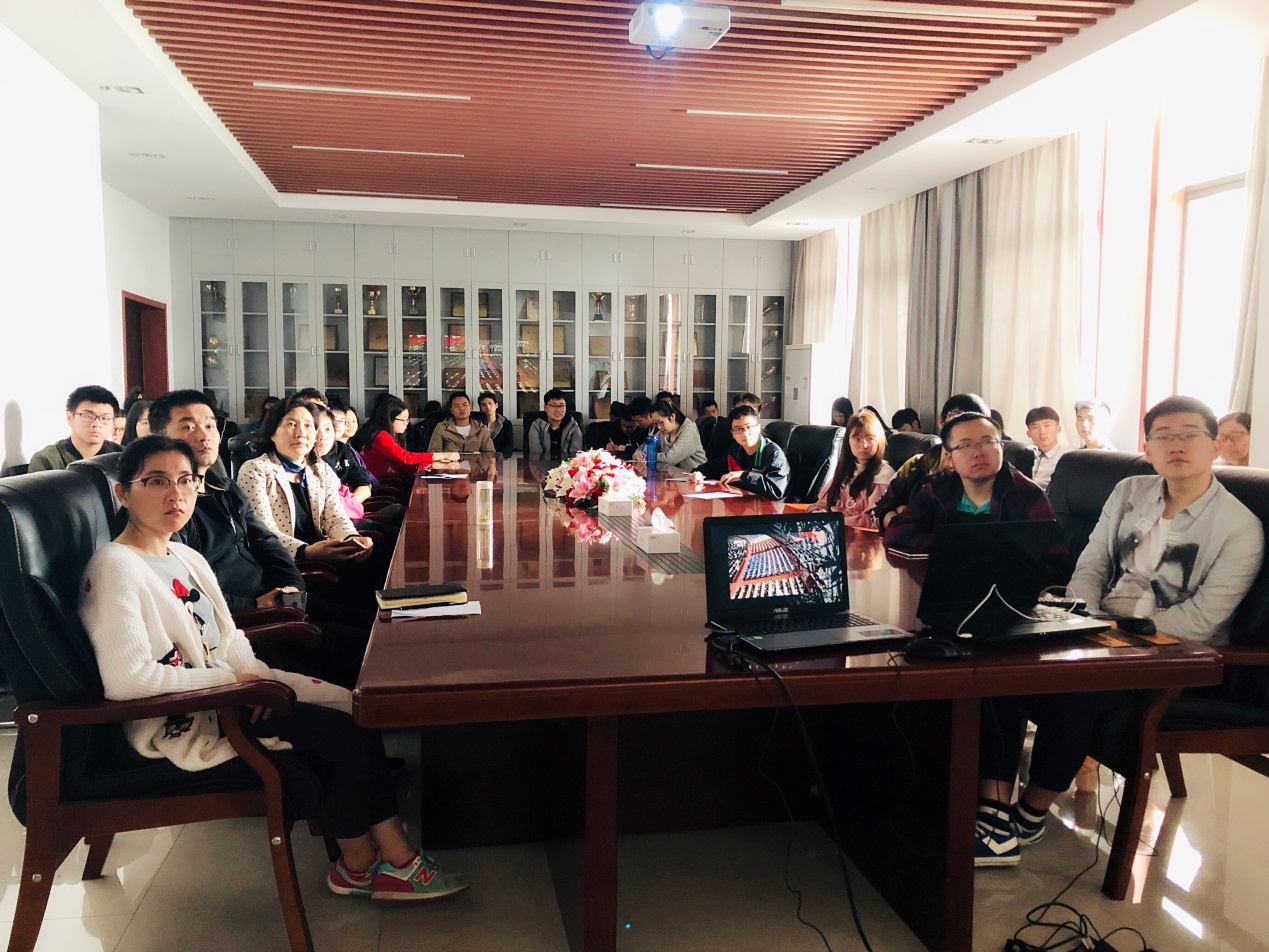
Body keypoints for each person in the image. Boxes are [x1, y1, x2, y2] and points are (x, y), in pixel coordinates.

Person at [79, 435, 469, 901]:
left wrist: (257, 679)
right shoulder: (115, 567)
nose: (175, 494)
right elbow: (127, 681)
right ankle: (390, 861)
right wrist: (237, 683)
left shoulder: (185, 556)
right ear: (123, 493)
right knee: (340, 733)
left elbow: (229, 639)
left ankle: (362, 861)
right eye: (156, 481)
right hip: (192, 714)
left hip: (235, 692)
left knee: (354, 705)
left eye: (186, 480)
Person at [976, 397, 1263, 868]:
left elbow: (1203, 620)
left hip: (1174, 656)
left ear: (1214, 446)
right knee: (999, 663)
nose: (1176, 445)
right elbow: (1091, 565)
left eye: (1189, 434)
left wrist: (1110, 640)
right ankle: (992, 810)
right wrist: (1086, 620)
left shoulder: (1239, 527)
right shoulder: (1130, 490)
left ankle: (1031, 812)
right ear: (1147, 448)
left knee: (1077, 690)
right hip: (1097, 631)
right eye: (1163, 436)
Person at [149, 391, 306, 615]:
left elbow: (264, 540)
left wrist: (294, 586)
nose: (204, 436)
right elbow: (180, 586)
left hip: (276, 599)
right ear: (159, 438)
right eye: (188, 427)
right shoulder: (167, 504)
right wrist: (254, 605)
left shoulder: (226, 488)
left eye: (210, 426)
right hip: (240, 618)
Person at [883, 411, 1056, 555]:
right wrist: (950, 546)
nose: (978, 453)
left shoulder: (1028, 494)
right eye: (966, 445)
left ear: (1001, 449)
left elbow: (1054, 556)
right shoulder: (937, 490)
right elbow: (896, 531)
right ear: (949, 457)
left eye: (988, 442)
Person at [236, 396, 377, 564]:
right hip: (282, 562)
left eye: (308, 426)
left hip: (322, 557)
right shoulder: (255, 470)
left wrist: (351, 539)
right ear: (272, 433)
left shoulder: (321, 469)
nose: (301, 433)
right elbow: (262, 531)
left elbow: (335, 517)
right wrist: (305, 551)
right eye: (291, 424)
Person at [873, 393, 990, 530]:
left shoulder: (983, 474)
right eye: (956, 417)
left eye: (975, 423)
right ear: (941, 421)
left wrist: (906, 514)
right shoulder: (916, 465)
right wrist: (903, 523)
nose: (964, 428)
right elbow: (881, 509)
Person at [811, 409, 894, 527]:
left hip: (859, 535)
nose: (864, 445)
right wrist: (817, 513)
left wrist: (834, 522)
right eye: (857, 439)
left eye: (870, 438)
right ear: (848, 441)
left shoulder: (884, 475)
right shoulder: (845, 469)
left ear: (879, 440)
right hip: (834, 529)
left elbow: (872, 519)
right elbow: (824, 502)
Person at [693, 405, 790, 500]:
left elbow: (776, 491)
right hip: (743, 503)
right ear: (732, 434)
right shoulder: (736, 450)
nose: (745, 433)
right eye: (738, 429)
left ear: (758, 428)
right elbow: (714, 467)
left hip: (769, 508)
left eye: (749, 427)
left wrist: (743, 475)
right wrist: (700, 473)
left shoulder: (774, 454)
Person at [360, 396, 458, 481]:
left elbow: (403, 464)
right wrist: (443, 455)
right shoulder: (381, 436)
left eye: (407, 420)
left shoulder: (393, 434)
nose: (406, 423)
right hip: (379, 485)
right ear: (389, 419)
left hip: (391, 480)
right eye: (402, 420)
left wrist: (436, 464)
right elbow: (406, 457)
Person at [29, 385, 123, 471]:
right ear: (70, 418)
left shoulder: (122, 456)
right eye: (88, 416)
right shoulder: (46, 460)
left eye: (105, 418)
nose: (97, 424)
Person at [641, 399, 706, 469]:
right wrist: (639, 454)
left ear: (672, 417)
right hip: (674, 473)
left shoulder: (689, 432)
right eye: (656, 424)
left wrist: (648, 456)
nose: (659, 427)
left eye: (661, 422)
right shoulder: (663, 432)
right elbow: (644, 447)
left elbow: (670, 459)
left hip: (694, 473)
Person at [429, 391, 495, 454]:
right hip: (450, 462)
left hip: (475, 462)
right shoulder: (441, 428)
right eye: (457, 406)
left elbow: (490, 454)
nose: (461, 408)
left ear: (470, 407)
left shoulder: (481, 429)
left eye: (464, 405)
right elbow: (433, 453)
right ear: (451, 410)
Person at [528, 389, 583, 460]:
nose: (558, 410)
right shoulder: (537, 425)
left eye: (561, 405)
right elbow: (536, 453)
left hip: (567, 465)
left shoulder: (573, 425)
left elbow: (576, 453)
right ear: (545, 407)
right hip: (543, 464)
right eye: (553, 405)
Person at [707, 392, 762, 461]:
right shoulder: (724, 426)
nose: (741, 415)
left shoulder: (768, 448)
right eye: (738, 411)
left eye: (747, 411)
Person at [1025, 406, 1065, 492]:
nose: (1042, 432)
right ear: (1028, 433)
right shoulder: (1023, 455)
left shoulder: (1067, 457)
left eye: (1047, 425)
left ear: (1058, 429)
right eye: (1035, 427)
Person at [479, 392, 515, 457]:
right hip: (481, 459)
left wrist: (498, 459)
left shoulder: (506, 424)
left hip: (501, 459)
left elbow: (508, 447)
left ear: (496, 405)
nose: (488, 407)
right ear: (480, 408)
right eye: (484, 405)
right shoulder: (476, 425)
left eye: (490, 403)